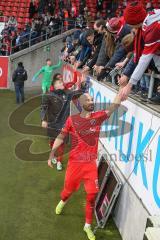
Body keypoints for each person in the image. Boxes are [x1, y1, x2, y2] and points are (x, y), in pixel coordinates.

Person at [48, 93, 122, 240]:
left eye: (92, 99)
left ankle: (87, 226)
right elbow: (61, 137)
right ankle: (63, 201)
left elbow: (114, 107)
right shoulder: (72, 120)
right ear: (81, 104)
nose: (91, 102)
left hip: (90, 165)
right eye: (88, 100)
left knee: (92, 195)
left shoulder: (98, 117)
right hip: (75, 164)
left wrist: (121, 91)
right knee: (67, 191)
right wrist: (52, 154)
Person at [41, 72, 87, 170]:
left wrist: (83, 84)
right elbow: (43, 108)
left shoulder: (67, 93)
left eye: (62, 82)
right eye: (60, 82)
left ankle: (59, 162)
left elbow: (79, 93)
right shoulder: (48, 95)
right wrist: (44, 119)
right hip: (52, 124)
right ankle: (53, 155)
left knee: (61, 143)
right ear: (54, 85)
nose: (62, 83)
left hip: (64, 124)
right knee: (52, 141)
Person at [118, 2, 160, 101]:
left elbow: (144, 59)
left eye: (131, 25)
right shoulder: (150, 20)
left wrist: (129, 85)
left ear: (135, 22)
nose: (132, 28)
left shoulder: (152, 28)